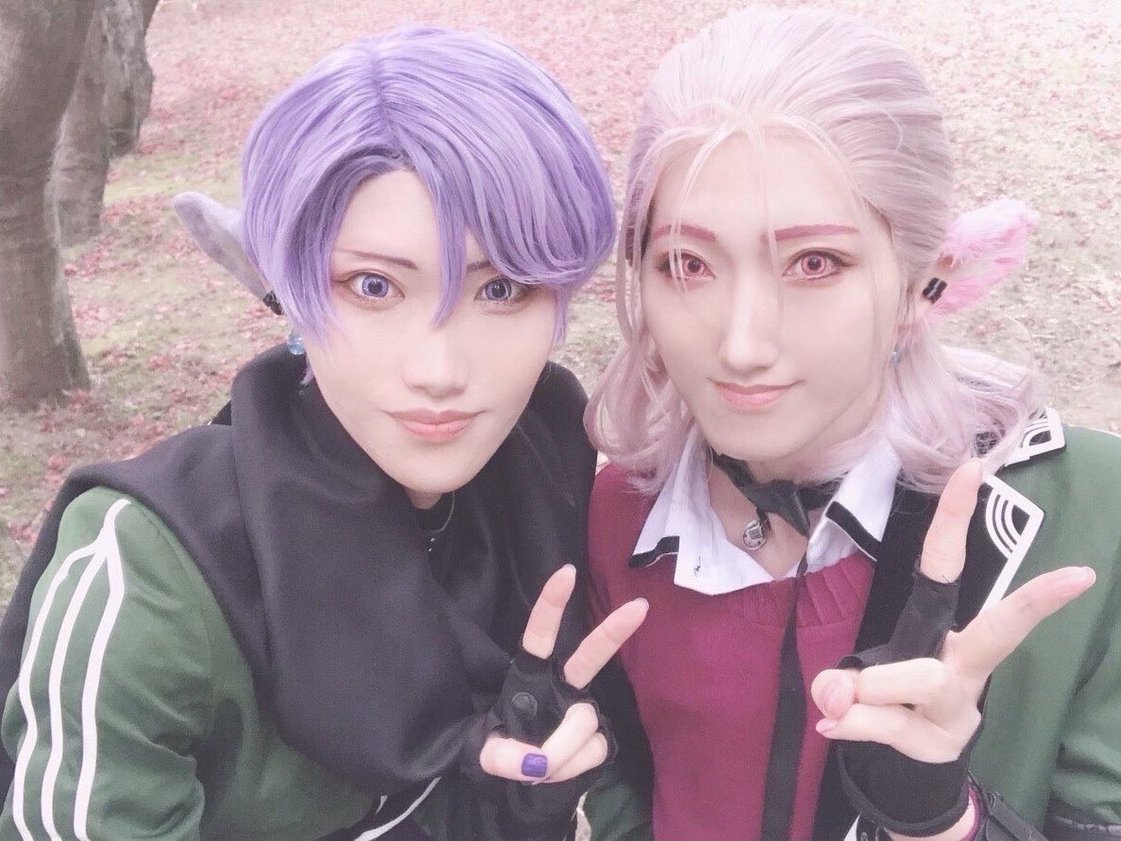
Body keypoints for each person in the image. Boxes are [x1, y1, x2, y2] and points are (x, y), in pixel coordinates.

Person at [0, 25, 647, 841]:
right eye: (373, 286)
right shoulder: (153, 573)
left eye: (502, 289)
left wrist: (541, 814)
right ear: (292, 295)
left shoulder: (544, 478)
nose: (440, 369)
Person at [581, 6, 1121, 840]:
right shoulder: (615, 515)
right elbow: (631, 785)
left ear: (921, 284)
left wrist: (940, 823)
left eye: (814, 263)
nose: (740, 344)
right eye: (687, 263)